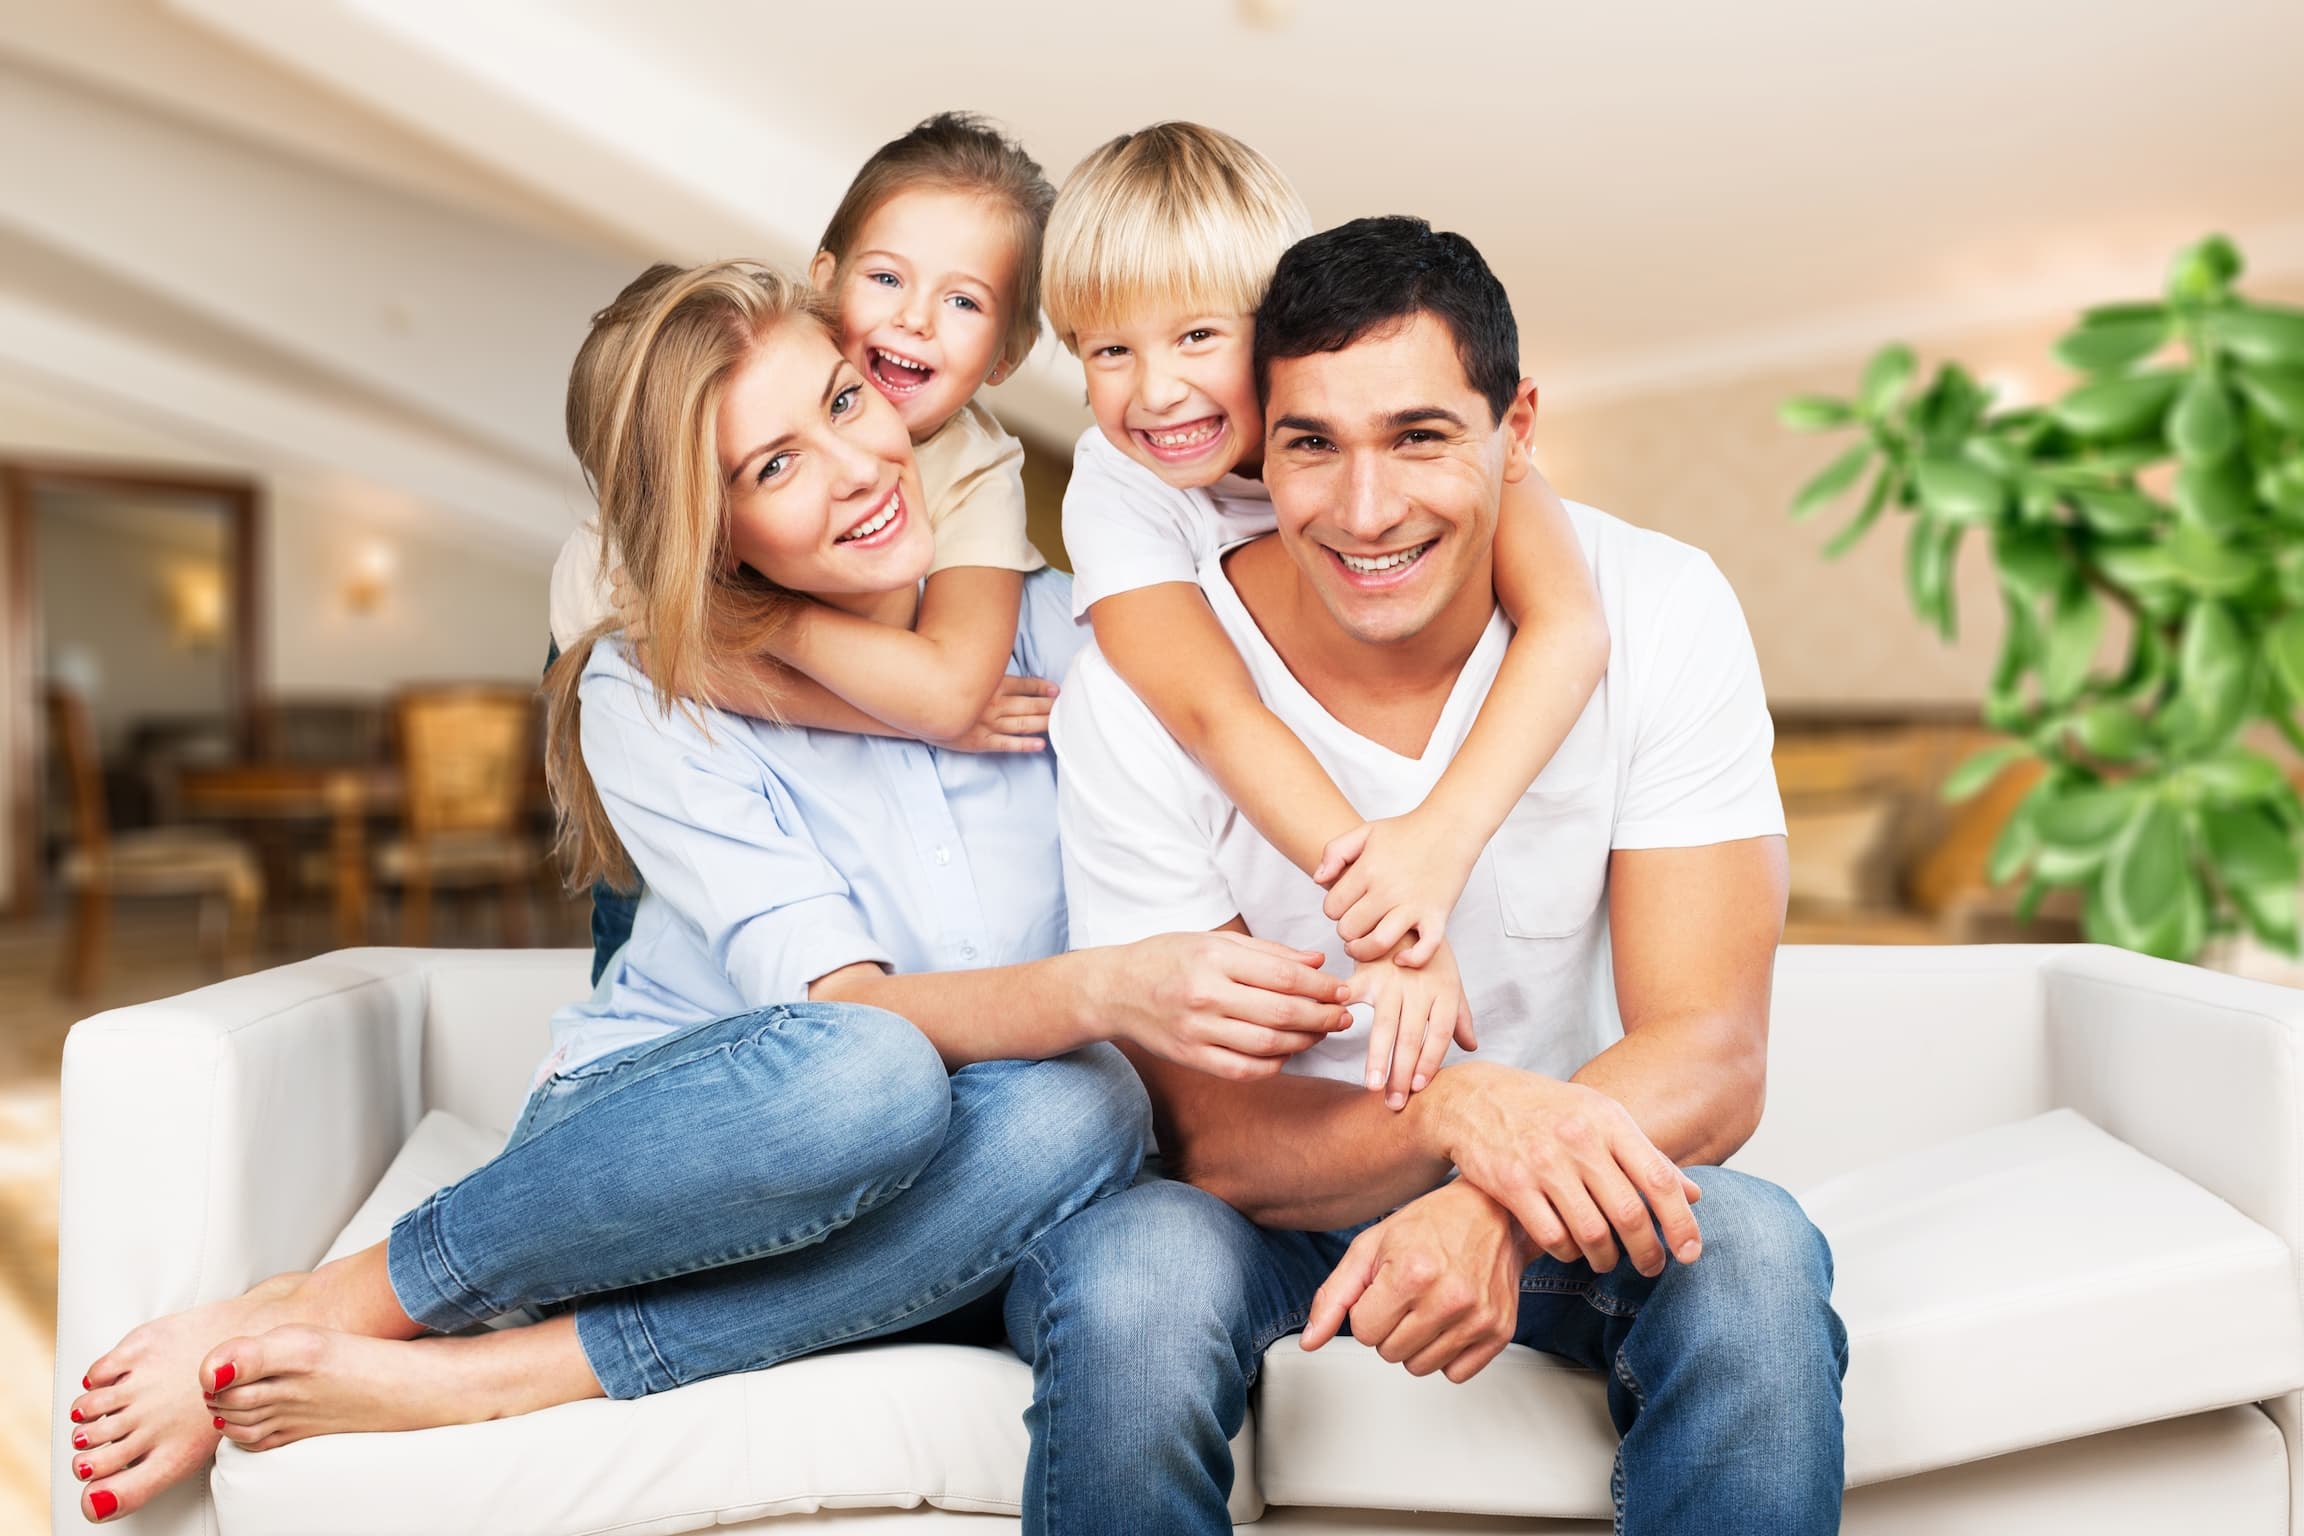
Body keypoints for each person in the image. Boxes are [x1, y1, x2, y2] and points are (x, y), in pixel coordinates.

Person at [62, 261, 1355, 1525]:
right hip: (676, 1152)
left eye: (845, 402)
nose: (857, 469)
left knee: (1087, 1107)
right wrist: (1105, 989)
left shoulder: (1080, 631)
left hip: (959, 1187)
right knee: (869, 1073)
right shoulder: (652, 690)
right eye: (773, 468)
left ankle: (514, 1375)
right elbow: (856, 1015)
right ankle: (335, 1303)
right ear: (710, 526)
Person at [1006, 217, 1848, 1535]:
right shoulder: (1138, 693)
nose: (1365, 510)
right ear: (1256, 445)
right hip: (1266, 1213)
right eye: (1312, 445)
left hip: (1560, 1187)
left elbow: (1713, 1052)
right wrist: (1458, 1115)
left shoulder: (1658, 605)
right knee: (1132, 1278)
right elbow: (1216, 1137)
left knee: (1748, 1254)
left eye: (1418, 437)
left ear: (1517, 430)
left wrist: (1493, 1202)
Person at [1041, 124, 1614, 1104]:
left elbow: (1570, 626)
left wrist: (1439, 842)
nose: (1156, 390)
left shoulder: (1422, 418)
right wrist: (1391, 920)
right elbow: (1214, 711)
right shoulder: (1116, 489)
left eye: (1197, 336)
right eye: (1110, 350)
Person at [551, 111, 1067, 982]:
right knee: (643, 912)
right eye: (887, 277)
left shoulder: (977, 467)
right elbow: (660, 665)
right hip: (656, 700)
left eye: (964, 301)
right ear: (825, 283)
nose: (916, 320)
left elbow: (948, 692)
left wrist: (781, 631)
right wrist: (852, 681)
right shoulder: (647, 517)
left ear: (1007, 357)